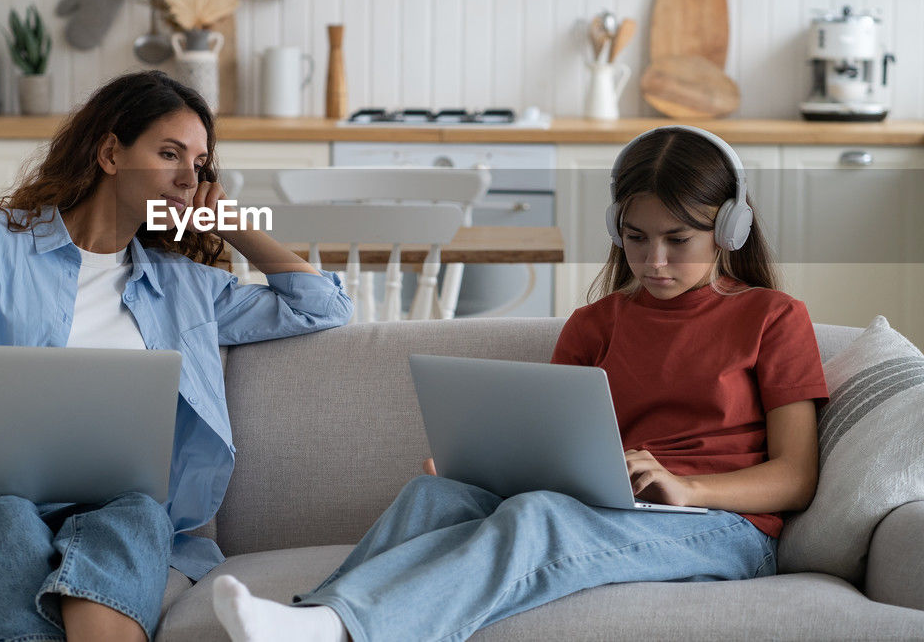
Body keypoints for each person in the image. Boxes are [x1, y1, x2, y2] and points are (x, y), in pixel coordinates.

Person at [212, 125, 829, 642]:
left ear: (728, 230)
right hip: (612, 507)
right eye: (637, 239)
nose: (655, 262)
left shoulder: (773, 318)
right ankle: (312, 620)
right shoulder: (595, 325)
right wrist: (482, 463)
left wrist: (688, 488)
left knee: (539, 518)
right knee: (436, 499)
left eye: (679, 241)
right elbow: (557, 452)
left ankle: (338, 628)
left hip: (724, 528)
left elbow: (796, 476)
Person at [0, 71, 352, 642]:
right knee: (7, 519)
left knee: (140, 514)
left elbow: (322, 307)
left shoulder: (185, 288)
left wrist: (233, 226)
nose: (189, 177)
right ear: (110, 153)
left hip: (107, 511)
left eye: (200, 163)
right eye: (169, 153)